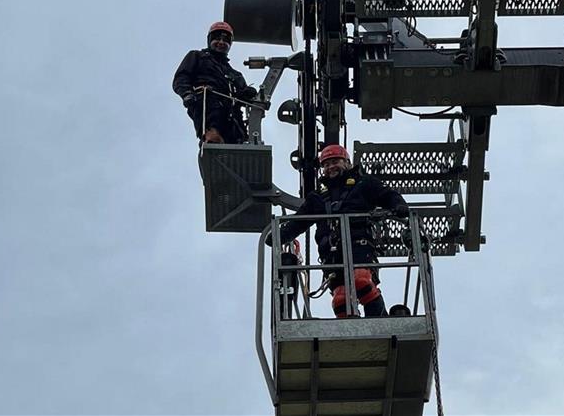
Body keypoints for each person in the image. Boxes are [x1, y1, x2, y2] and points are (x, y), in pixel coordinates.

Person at [270, 144, 411, 318]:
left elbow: (388, 195)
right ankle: (353, 331)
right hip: (331, 255)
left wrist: (399, 205)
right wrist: (280, 236)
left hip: (359, 246)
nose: (331, 167)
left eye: (335, 162)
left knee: (361, 281)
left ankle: (379, 319)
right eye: (326, 165)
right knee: (340, 298)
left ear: (347, 162)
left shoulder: (364, 184)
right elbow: (299, 221)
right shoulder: (317, 197)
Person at [172, 21, 257, 144]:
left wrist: (248, 93)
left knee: (237, 133)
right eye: (217, 39)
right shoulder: (197, 56)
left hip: (231, 113)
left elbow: (243, 95)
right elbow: (181, 77)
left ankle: (238, 143)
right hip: (208, 104)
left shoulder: (234, 74)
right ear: (210, 40)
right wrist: (186, 93)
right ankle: (211, 137)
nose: (221, 43)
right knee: (214, 121)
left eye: (226, 41)